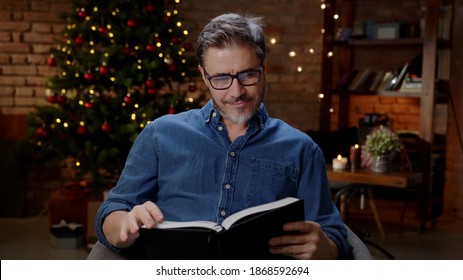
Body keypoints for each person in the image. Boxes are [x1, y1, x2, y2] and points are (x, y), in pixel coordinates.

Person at [95, 12, 352, 260]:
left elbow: (334, 234)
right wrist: (123, 226)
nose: (236, 91)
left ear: (264, 69)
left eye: (248, 74)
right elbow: (112, 210)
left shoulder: (302, 150)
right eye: (220, 78)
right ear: (204, 77)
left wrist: (326, 249)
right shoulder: (159, 135)